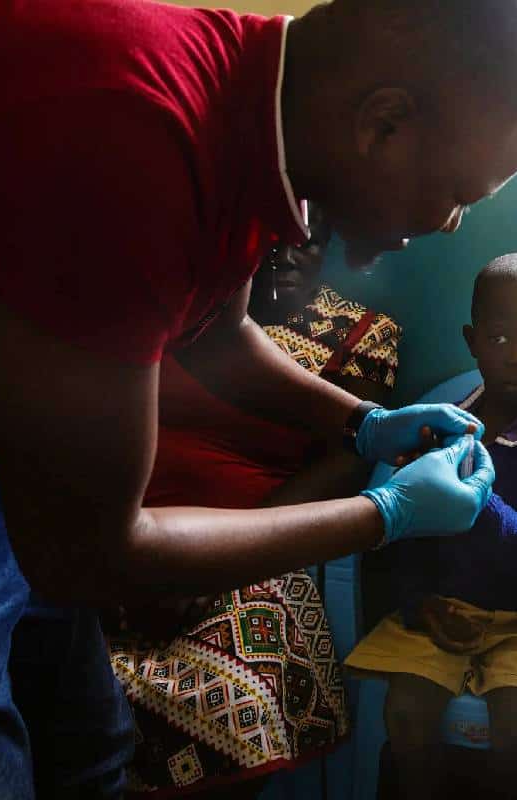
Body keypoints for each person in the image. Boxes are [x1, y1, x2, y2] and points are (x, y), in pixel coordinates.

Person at [0, 1, 517, 797]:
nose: (450, 224)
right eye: (457, 193)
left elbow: (217, 334)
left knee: (90, 746)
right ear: (384, 125)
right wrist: (386, 515)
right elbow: (85, 554)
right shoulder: (135, 135)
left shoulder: (253, 115)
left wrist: (363, 422)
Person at [109, 214, 398, 798]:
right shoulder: (181, 311)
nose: (284, 254)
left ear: (329, 246)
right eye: (270, 240)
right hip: (120, 525)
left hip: (258, 544)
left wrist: (218, 559)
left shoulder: (362, 332)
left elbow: (347, 461)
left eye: (307, 242)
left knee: (230, 704)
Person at [345, 254, 517, 800]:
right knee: (406, 714)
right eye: (500, 339)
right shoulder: (440, 427)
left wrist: (472, 504)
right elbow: (403, 538)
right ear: (472, 341)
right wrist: (418, 603)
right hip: (443, 609)